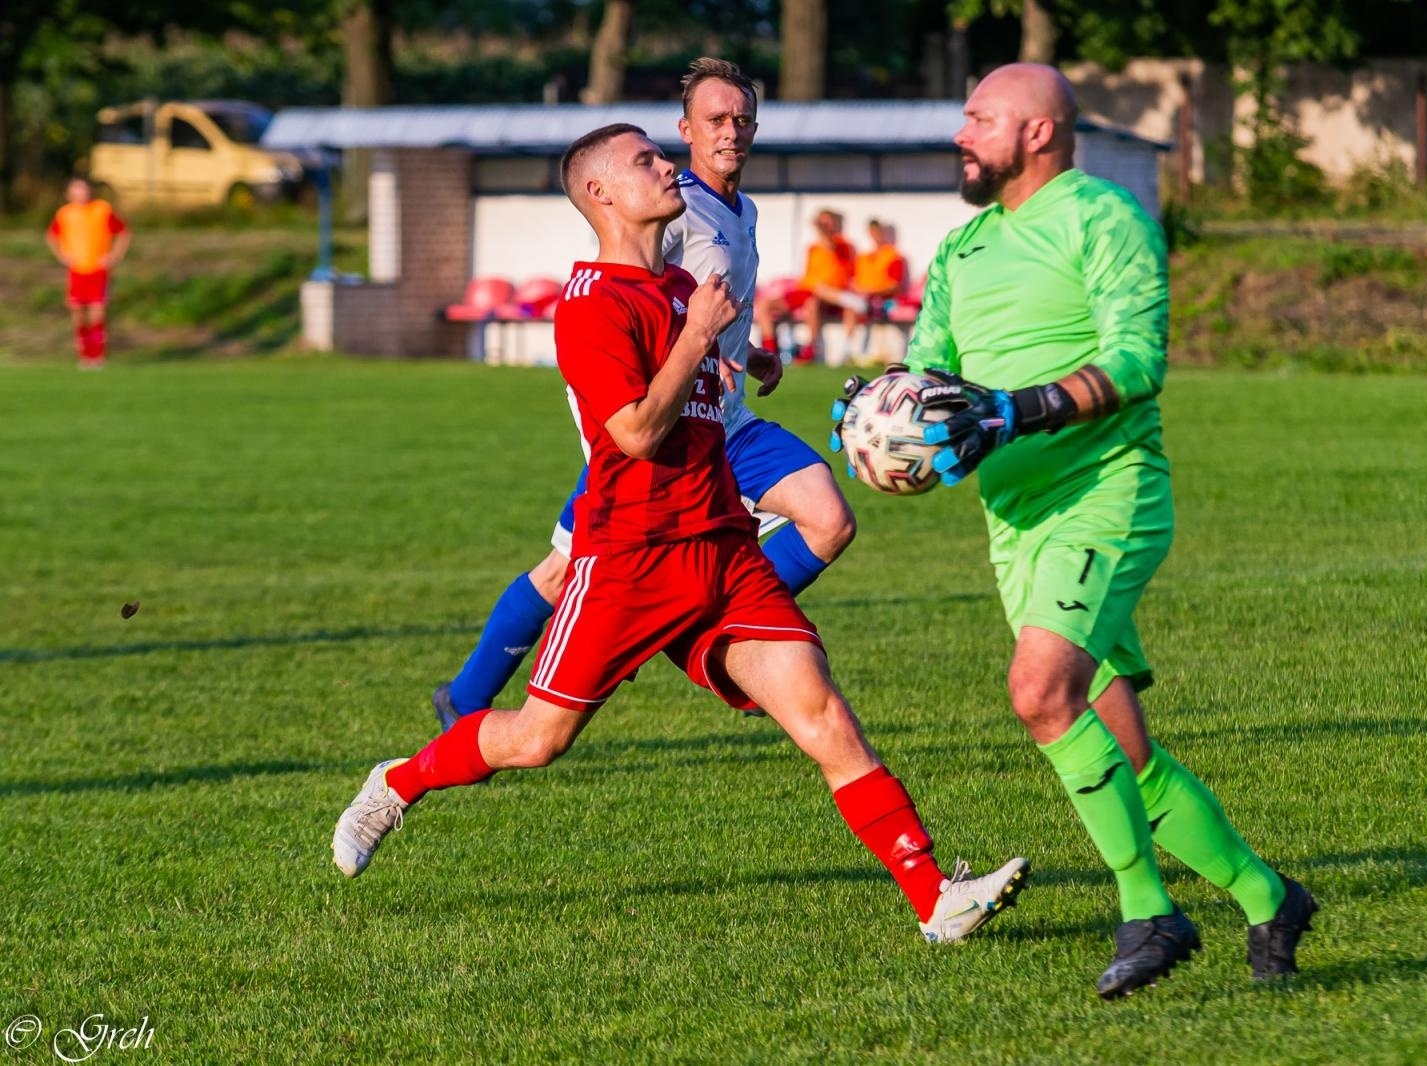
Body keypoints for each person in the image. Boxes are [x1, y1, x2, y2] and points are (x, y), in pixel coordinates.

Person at [333, 123, 1030, 945]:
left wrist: (740, 354)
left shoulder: (678, 287)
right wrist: (698, 336)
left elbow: (697, 373)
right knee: (536, 739)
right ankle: (398, 783)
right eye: (646, 161)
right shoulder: (590, 303)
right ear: (601, 193)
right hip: (629, 561)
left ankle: (934, 897)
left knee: (823, 714)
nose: (667, 166)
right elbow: (633, 432)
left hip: (726, 553)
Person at [833, 64, 1317, 997]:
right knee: (1121, 753)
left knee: (1039, 691)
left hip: (1107, 491)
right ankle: (1269, 898)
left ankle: (1149, 912)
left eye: (980, 118)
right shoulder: (964, 246)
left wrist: (1016, 411)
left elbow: (1137, 361)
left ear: (1038, 133)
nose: (961, 133)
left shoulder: (1104, 217)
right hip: (1015, 522)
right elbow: (928, 369)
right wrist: (888, 423)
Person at [432, 59, 857, 731]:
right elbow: (634, 288)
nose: (731, 131)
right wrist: (691, 353)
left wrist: (745, 351)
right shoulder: (670, 203)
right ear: (686, 130)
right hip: (656, 426)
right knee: (560, 574)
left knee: (829, 519)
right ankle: (465, 698)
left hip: (727, 419)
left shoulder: (743, 209)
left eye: (742, 119)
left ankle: (731, 637)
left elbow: (699, 302)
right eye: (715, 120)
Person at [45, 177, 130, 369]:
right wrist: (62, 255)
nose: (81, 193)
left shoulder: (101, 209)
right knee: (78, 313)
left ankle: (97, 355)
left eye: (83, 189)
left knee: (97, 313)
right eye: (76, 190)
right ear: (69, 193)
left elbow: (123, 232)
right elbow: (51, 236)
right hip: (76, 270)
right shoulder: (65, 214)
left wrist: (114, 255)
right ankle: (84, 355)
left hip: (98, 269)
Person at [753, 209, 854, 364]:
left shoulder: (843, 245)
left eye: (827, 222)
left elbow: (830, 245)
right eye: (822, 222)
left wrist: (823, 229)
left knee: (811, 304)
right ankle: (770, 351)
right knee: (764, 305)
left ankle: (811, 349)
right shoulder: (813, 247)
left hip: (827, 296)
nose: (823, 225)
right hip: (806, 290)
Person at [840, 220, 908, 363]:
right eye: (873, 232)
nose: (876, 235)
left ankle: (855, 352)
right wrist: (858, 290)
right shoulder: (863, 258)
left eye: (879, 232)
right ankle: (851, 350)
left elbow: (894, 286)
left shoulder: (893, 256)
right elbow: (853, 280)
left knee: (854, 306)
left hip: (884, 301)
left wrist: (869, 291)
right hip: (863, 300)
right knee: (852, 306)